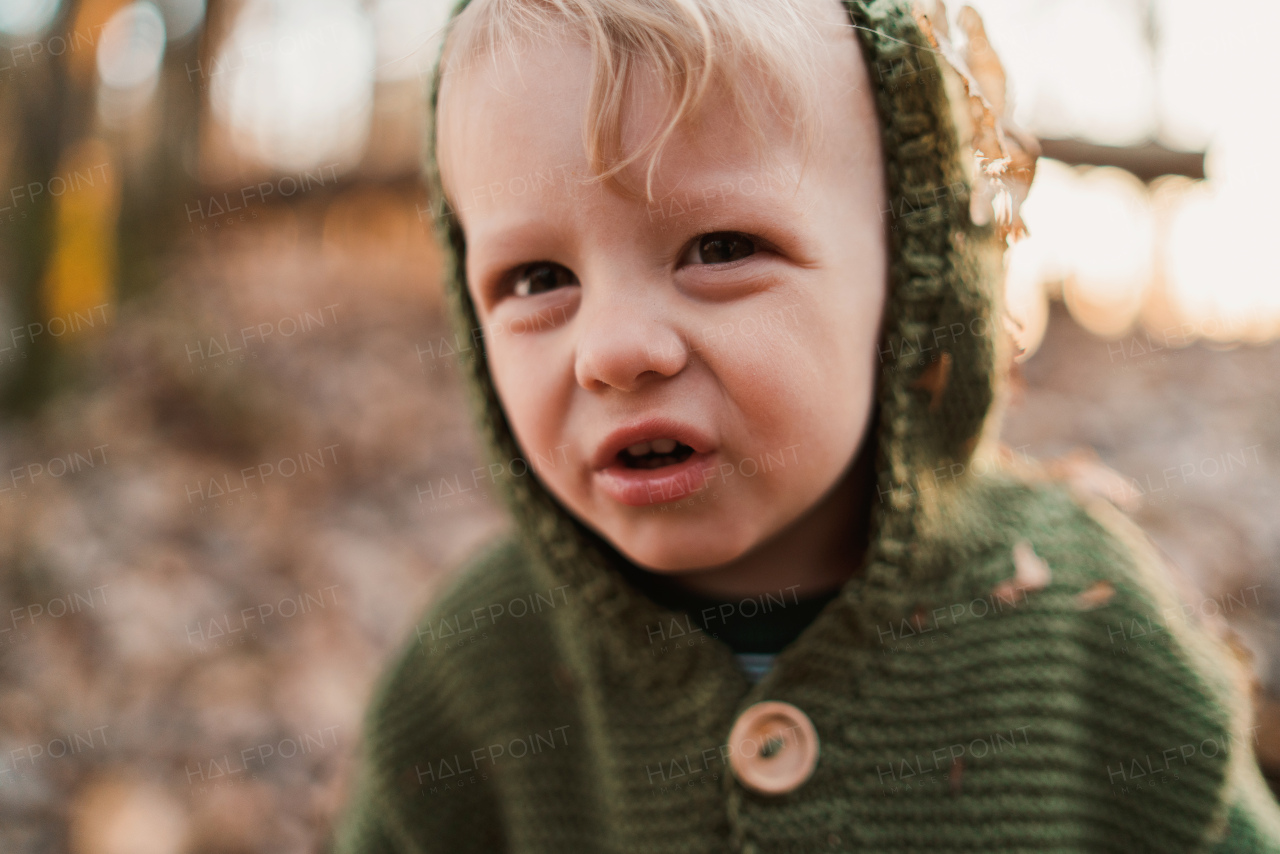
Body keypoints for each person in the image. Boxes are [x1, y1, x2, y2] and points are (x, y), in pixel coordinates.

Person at [332, 0, 1280, 850]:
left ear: (912, 280)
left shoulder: (1088, 625)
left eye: (721, 248)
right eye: (538, 280)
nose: (613, 350)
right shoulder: (472, 680)